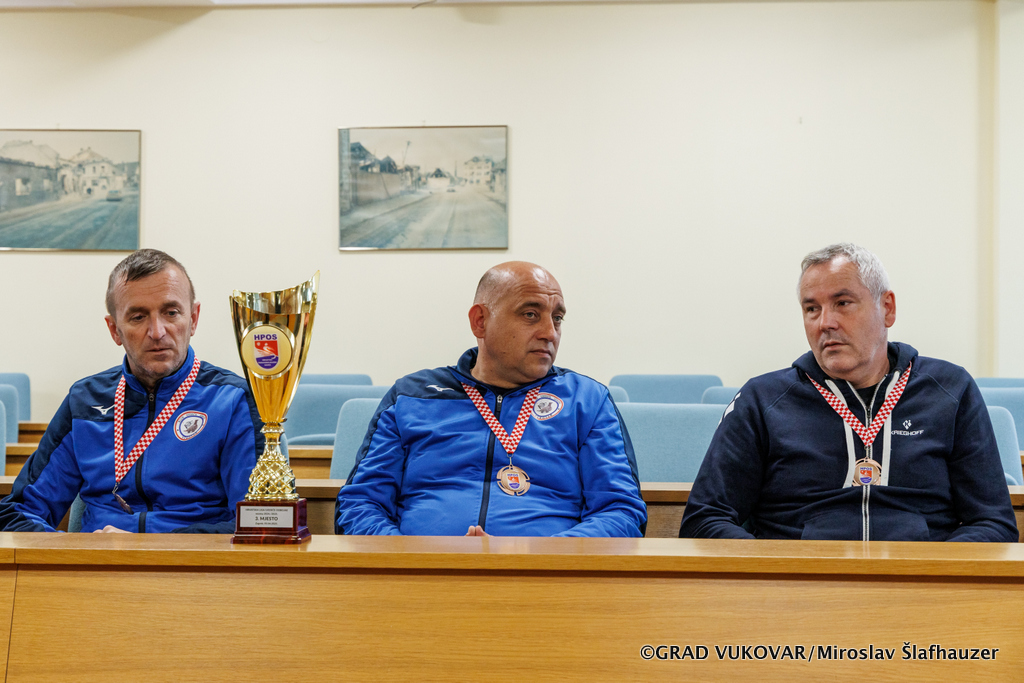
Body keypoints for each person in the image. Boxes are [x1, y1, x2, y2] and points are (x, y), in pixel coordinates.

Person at [680, 243, 1017, 542]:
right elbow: (704, 519)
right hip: (797, 583)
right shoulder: (763, 399)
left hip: (919, 582)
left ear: (887, 308)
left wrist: (933, 573)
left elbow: (992, 522)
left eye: (842, 303)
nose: (825, 322)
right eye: (812, 309)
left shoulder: (950, 391)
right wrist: (775, 570)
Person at [336, 261, 646, 537]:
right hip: (422, 574)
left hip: (546, 576)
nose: (550, 333)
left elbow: (621, 512)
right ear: (480, 321)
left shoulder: (587, 401)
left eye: (557, 318)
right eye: (530, 314)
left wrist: (538, 558)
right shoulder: (411, 396)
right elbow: (360, 503)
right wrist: (410, 559)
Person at [0, 249, 262, 533]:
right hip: (98, 559)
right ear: (115, 330)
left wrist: (147, 549)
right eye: (138, 317)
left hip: (191, 560)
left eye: (171, 313)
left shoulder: (233, 400)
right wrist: (73, 550)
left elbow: (258, 524)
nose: (157, 331)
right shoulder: (85, 401)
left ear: (194, 319)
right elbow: (18, 512)